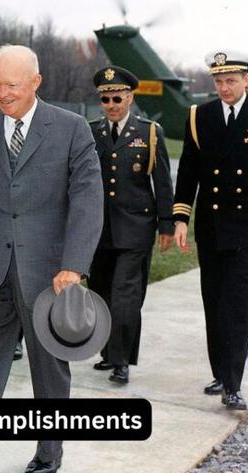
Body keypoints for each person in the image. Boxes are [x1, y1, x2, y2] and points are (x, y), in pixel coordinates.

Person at [0, 44, 103, 473]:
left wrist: (74, 265)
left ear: (36, 82)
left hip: (49, 276)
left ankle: (49, 454)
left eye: (12, 85)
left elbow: (88, 201)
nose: (1, 93)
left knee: (49, 372)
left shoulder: (71, 129)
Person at [172, 50, 248, 411]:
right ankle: (221, 374)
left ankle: (233, 385)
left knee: (239, 308)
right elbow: (189, 172)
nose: (224, 88)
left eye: (231, 80)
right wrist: (181, 218)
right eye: (219, 81)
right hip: (212, 228)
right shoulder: (200, 116)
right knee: (215, 304)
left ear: (246, 80)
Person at [87, 66, 174, 385]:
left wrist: (167, 224)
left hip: (135, 228)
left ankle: (122, 361)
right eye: (105, 99)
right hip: (98, 230)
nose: (111, 105)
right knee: (100, 292)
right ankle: (108, 352)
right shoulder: (90, 131)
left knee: (125, 296)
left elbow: (162, 181)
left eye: (117, 98)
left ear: (130, 98)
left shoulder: (149, 132)